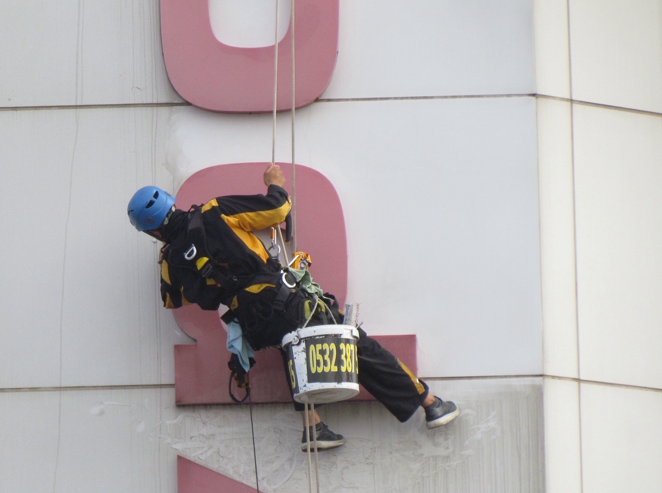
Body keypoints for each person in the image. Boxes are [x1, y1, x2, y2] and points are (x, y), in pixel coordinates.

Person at [128, 164, 459, 451]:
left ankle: (312, 427)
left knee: (296, 348)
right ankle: (428, 404)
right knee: (351, 339)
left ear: (150, 230)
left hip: (250, 320)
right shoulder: (213, 212)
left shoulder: (169, 259)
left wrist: (207, 272)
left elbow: (173, 299)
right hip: (279, 298)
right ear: (171, 203)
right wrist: (275, 182)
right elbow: (277, 209)